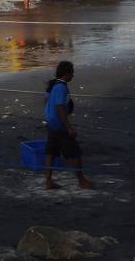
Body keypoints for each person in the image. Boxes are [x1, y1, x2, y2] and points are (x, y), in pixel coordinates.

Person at [43, 61, 93, 190]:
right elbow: (60, 107)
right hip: (60, 125)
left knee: (51, 152)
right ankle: (81, 180)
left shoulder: (53, 84)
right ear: (66, 74)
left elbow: (46, 99)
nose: (73, 76)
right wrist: (68, 127)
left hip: (51, 123)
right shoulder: (61, 87)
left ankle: (48, 180)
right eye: (72, 73)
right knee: (74, 153)